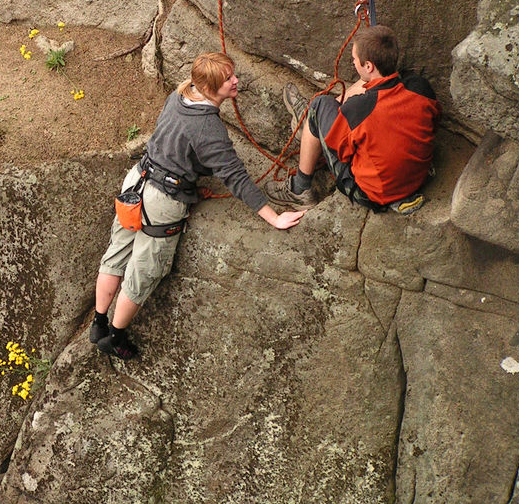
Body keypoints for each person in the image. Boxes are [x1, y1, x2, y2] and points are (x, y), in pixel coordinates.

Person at [91, 52, 304, 360]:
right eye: (228, 79)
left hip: (137, 181)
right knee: (143, 271)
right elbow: (236, 178)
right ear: (210, 87)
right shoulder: (208, 128)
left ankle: (98, 323)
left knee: (117, 252)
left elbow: (177, 145)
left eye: (233, 75)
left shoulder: (180, 94)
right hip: (162, 202)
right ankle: (115, 335)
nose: (236, 82)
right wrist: (273, 217)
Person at [266, 24, 441, 214]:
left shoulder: (358, 110)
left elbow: (339, 151)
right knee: (373, 94)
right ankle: (310, 124)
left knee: (319, 105)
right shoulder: (422, 89)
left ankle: (299, 188)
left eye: (355, 59)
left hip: (373, 193)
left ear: (368, 65)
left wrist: (338, 117)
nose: (353, 63)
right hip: (417, 178)